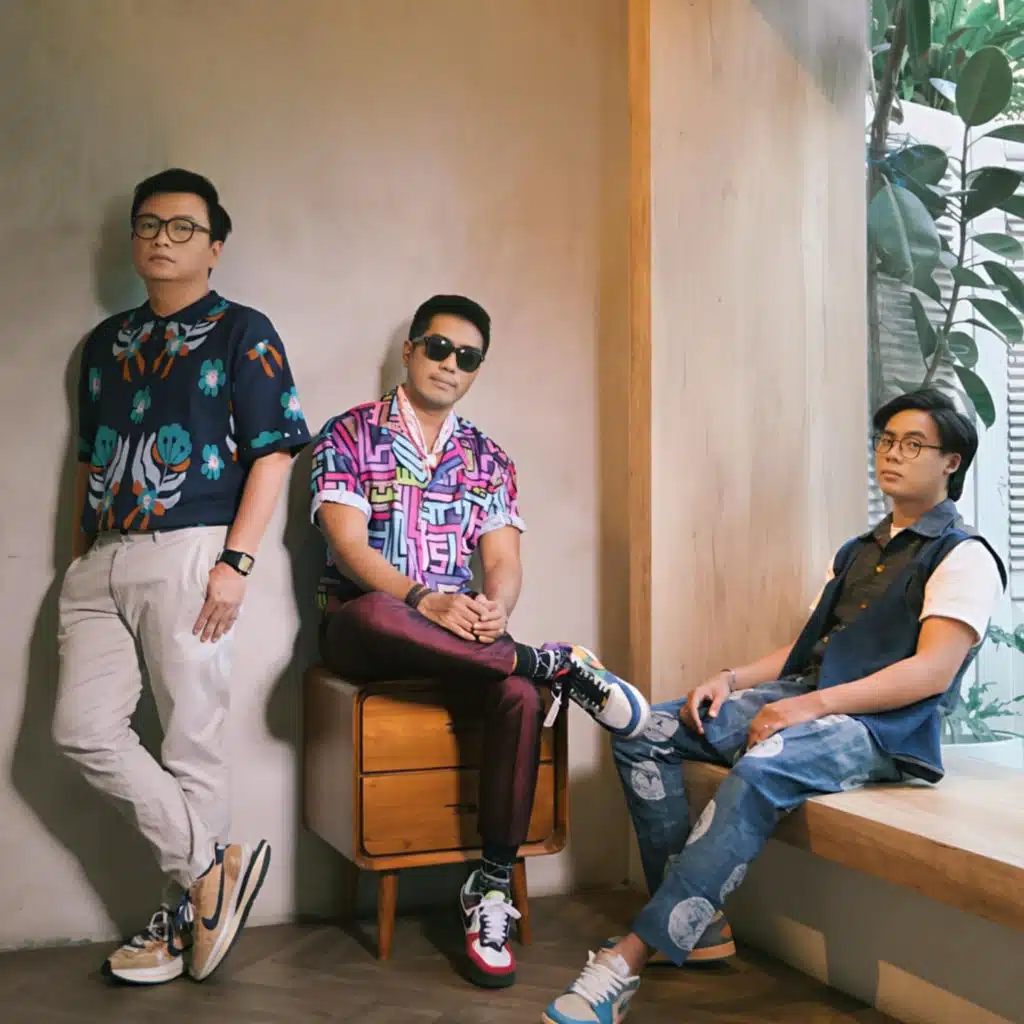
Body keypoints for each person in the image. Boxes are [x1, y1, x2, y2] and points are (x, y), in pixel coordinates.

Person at [542, 388, 1007, 1024]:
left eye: (912, 444)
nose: (892, 454)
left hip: (882, 729)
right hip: (809, 697)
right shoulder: (859, 550)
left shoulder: (963, 555)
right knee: (649, 731)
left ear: (952, 461)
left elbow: (932, 672)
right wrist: (729, 679)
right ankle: (697, 927)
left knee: (763, 765)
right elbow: (808, 645)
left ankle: (628, 960)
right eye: (886, 440)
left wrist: (808, 707)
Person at [310, 293, 650, 989]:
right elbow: (347, 547)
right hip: (369, 630)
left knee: (521, 696)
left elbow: (502, 562)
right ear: (410, 350)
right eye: (438, 348)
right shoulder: (349, 433)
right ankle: (552, 662)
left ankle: (490, 885)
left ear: (476, 371)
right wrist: (423, 599)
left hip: (460, 638)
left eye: (467, 358)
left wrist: (495, 609)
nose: (450, 364)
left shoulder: (488, 458)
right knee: (374, 612)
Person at [53, 169, 310, 985]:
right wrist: (78, 555)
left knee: (190, 741)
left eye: (183, 227)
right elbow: (89, 457)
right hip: (102, 555)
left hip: (193, 549)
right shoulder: (103, 345)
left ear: (215, 246)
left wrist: (236, 562)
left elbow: (273, 452)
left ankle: (178, 922)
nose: (162, 239)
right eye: (148, 225)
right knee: (82, 729)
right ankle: (209, 873)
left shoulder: (244, 331)